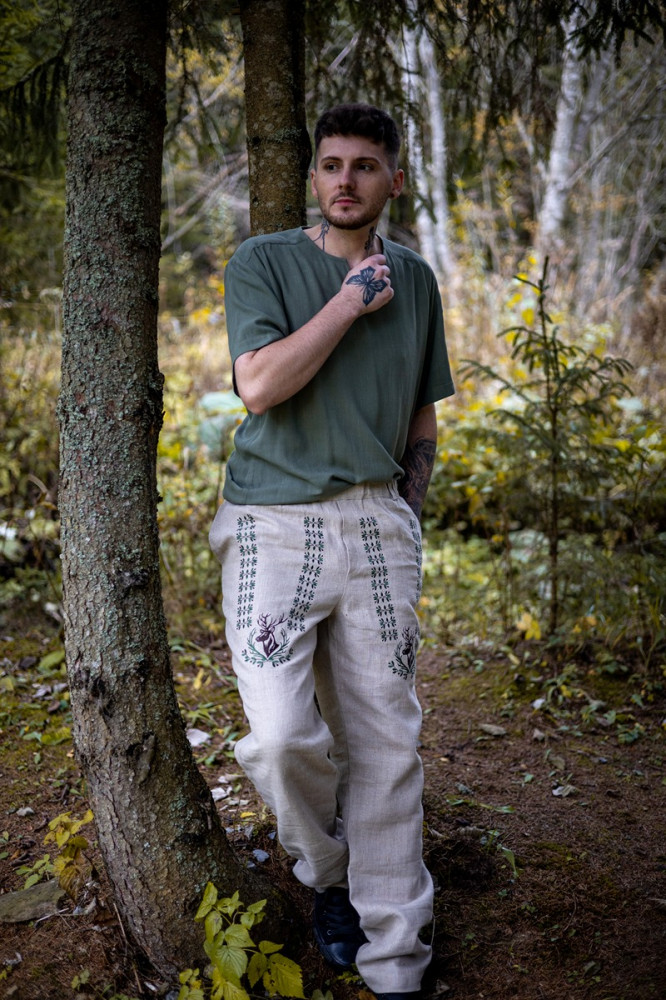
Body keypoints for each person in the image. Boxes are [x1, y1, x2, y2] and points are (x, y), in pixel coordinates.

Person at [209, 103, 454, 1000]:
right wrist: (351, 300)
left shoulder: (417, 279)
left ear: (395, 180)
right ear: (314, 175)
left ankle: (397, 957)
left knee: (388, 739)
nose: (345, 180)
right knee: (280, 739)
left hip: (379, 522)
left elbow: (422, 413)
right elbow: (259, 385)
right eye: (331, 164)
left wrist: (406, 516)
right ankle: (328, 872)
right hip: (271, 523)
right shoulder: (263, 261)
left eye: (365, 165)